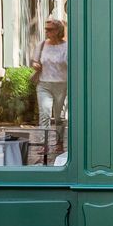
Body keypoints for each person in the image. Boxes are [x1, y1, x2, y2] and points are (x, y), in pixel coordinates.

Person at [34, 19, 68, 161]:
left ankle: (59, 143)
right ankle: (44, 144)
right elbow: (35, 61)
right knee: (45, 114)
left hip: (61, 84)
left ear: (58, 31)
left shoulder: (66, 47)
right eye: (46, 29)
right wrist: (35, 65)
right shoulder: (41, 45)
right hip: (44, 84)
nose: (47, 31)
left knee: (59, 117)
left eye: (50, 29)